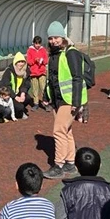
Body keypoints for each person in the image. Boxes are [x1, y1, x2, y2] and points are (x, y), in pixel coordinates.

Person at [43, 21, 87, 179]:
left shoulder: (71, 52)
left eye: (56, 37)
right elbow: (52, 77)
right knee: (66, 131)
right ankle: (70, 162)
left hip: (68, 99)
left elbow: (77, 78)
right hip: (58, 99)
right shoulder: (54, 54)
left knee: (59, 131)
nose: (53, 41)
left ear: (62, 36)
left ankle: (59, 165)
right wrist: (46, 95)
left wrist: (77, 102)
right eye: (50, 38)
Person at [0, 52, 33, 119]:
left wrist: (23, 93)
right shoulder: (9, 71)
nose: (21, 64)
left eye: (22, 62)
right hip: (9, 94)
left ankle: (17, 110)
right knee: (19, 107)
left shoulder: (26, 71)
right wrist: (15, 97)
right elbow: (5, 85)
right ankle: (17, 112)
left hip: (19, 92)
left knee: (27, 98)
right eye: (19, 62)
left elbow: (27, 83)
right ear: (15, 63)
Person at [27, 36, 49, 111]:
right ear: (33, 43)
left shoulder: (43, 50)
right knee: (35, 89)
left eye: (39, 43)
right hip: (33, 73)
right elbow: (29, 61)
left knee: (43, 88)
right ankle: (36, 104)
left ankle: (45, 103)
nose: (38, 45)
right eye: (36, 43)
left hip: (42, 72)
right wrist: (34, 60)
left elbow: (46, 60)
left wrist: (42, 61)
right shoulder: (30, 50)